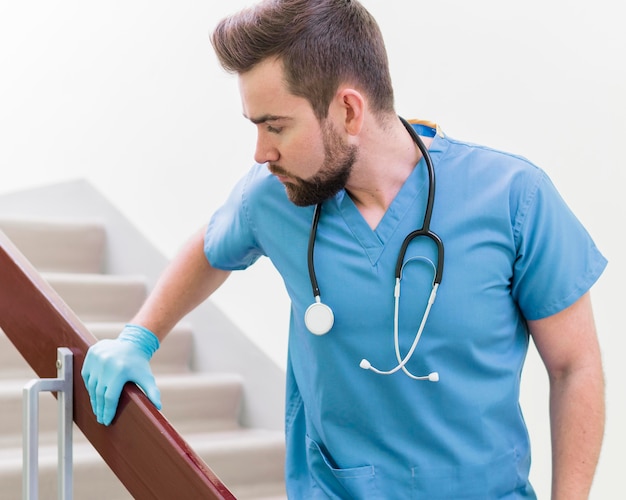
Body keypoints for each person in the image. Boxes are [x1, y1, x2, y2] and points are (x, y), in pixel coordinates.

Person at [81, 0, 607, 498]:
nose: (261, 152)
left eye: (276, 126)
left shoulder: (513, 197)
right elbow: (210, 245)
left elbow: (573, 366)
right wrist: (138, 338)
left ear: (348, 111)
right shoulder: (274, 196)